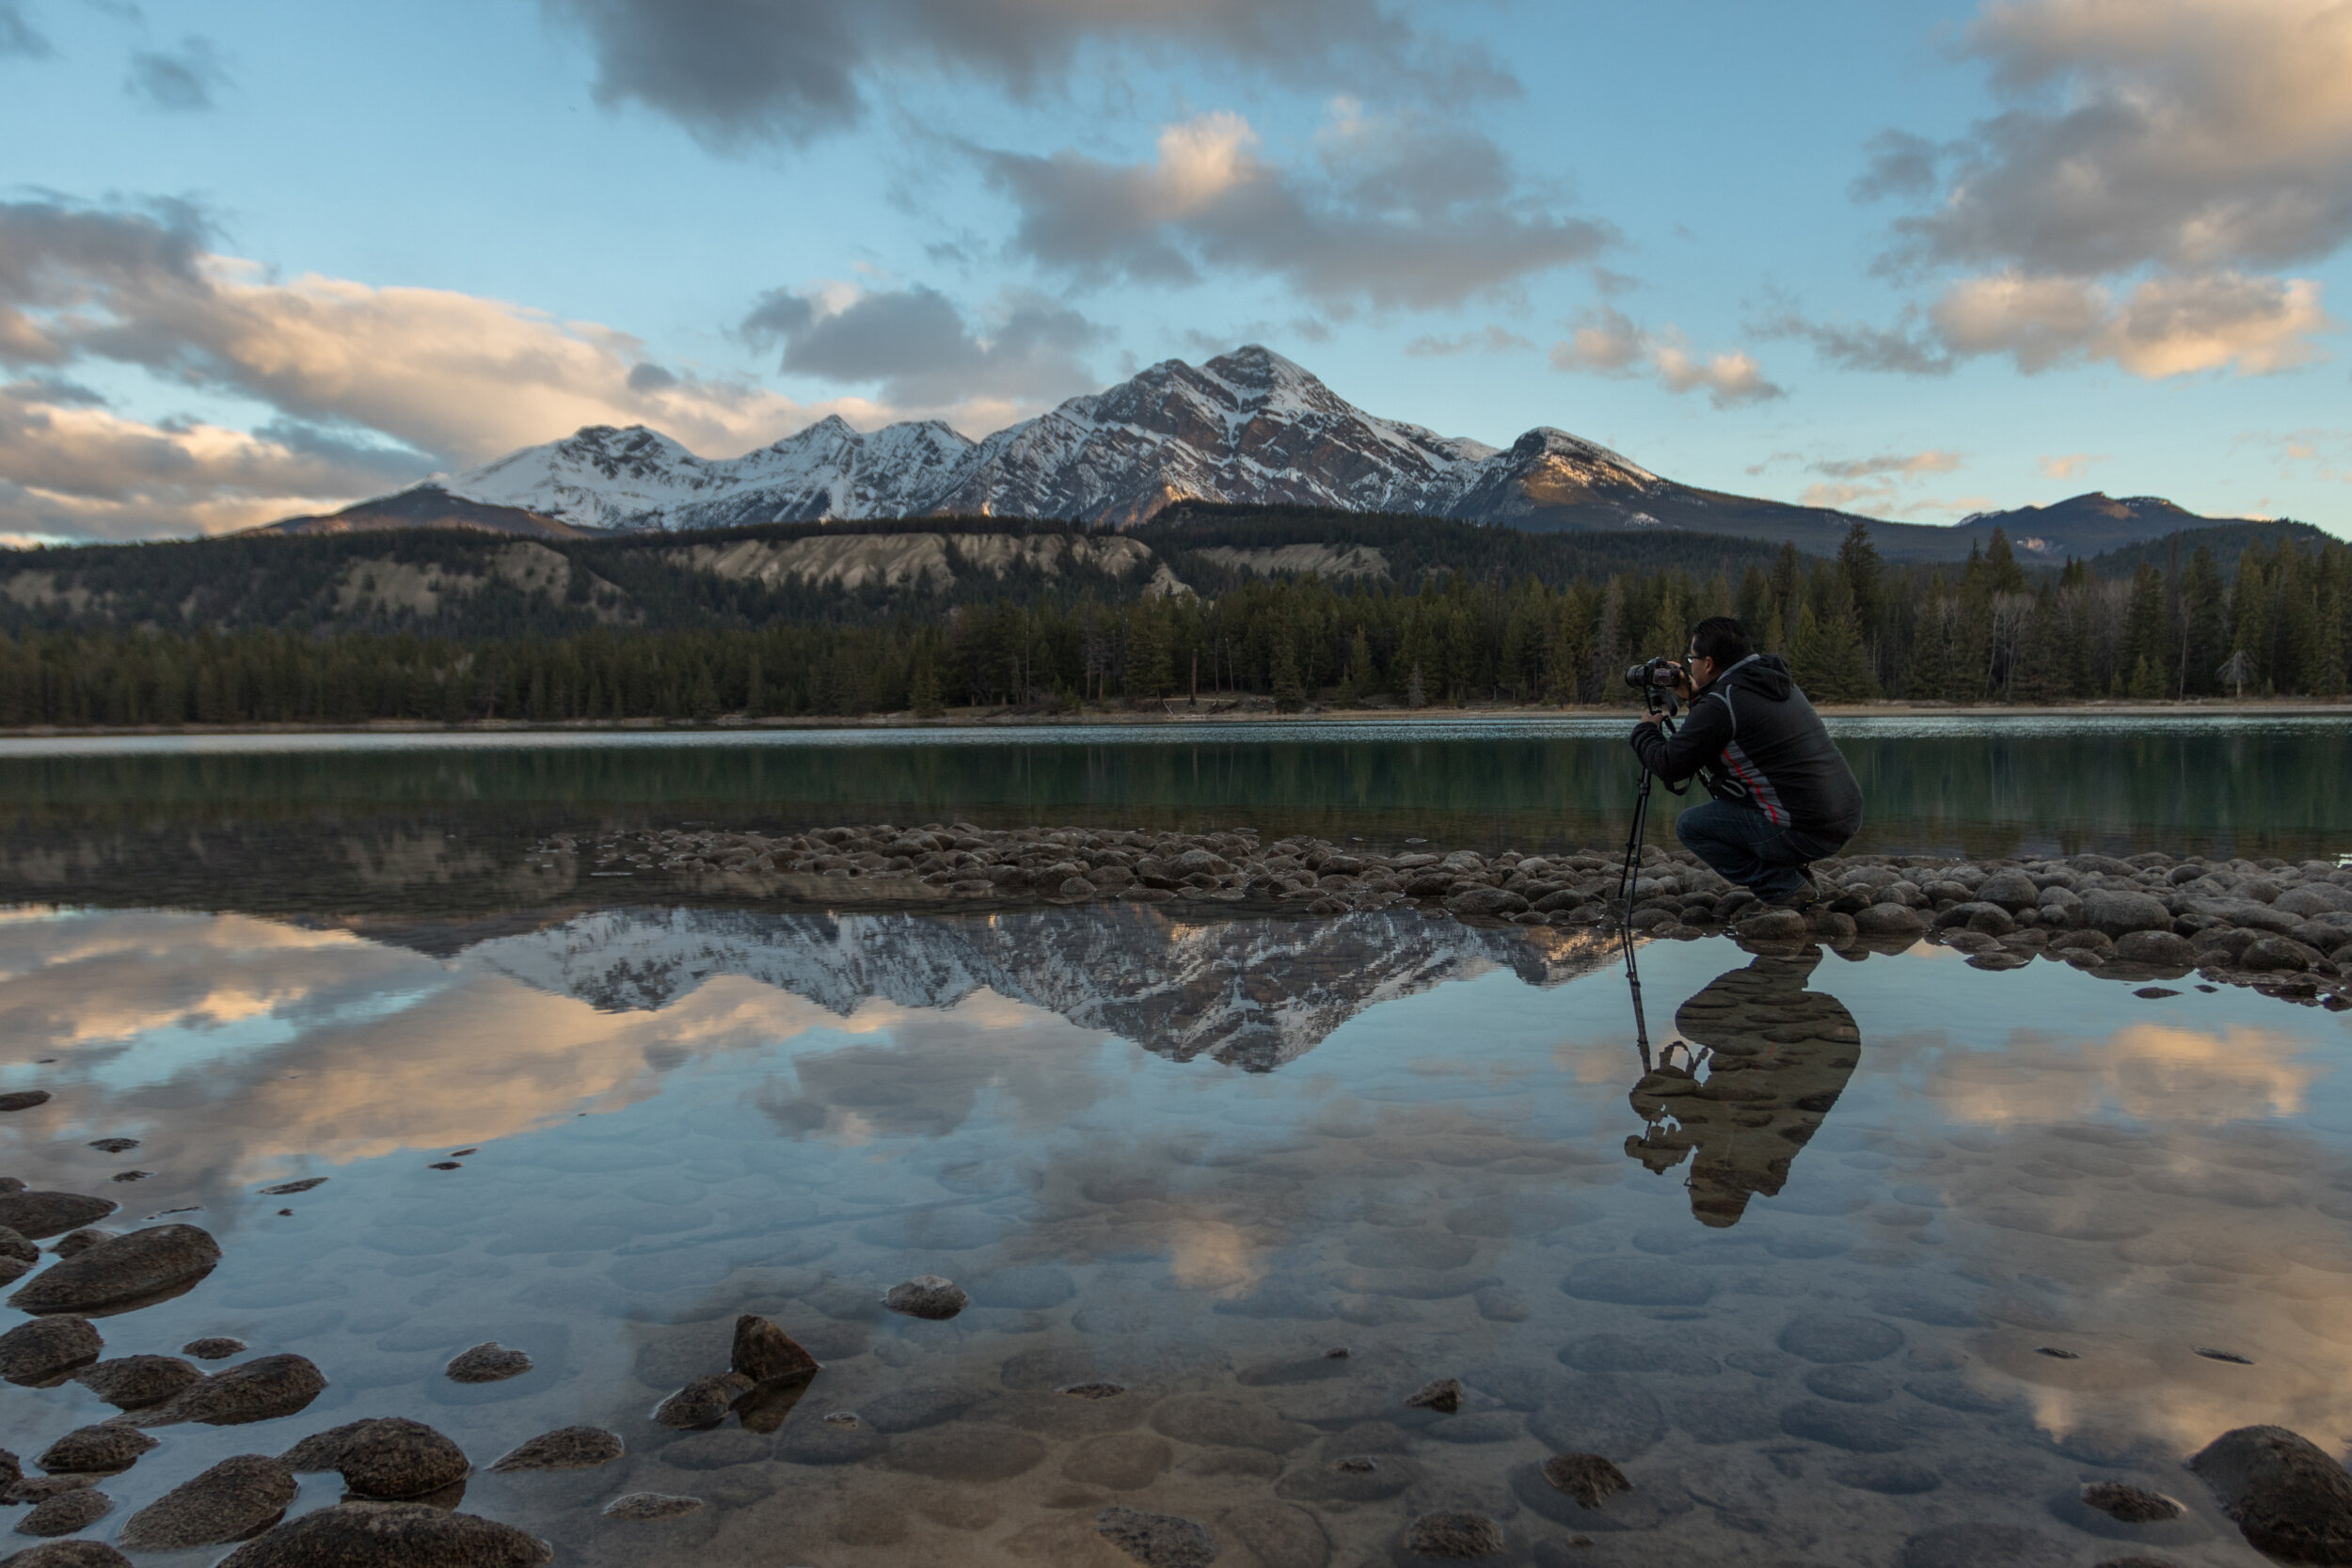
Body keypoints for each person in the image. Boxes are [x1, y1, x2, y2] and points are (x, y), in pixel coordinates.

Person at [1628, 615, 1862, 910]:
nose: (1690, 666)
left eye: (1692, 659)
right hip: (1845, 818)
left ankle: (1785, 888)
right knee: (1747, 794)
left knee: (1691, 825)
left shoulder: (1721, 703)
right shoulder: (1772, 680)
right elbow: (1724, 721)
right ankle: (1795, 877)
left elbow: (1669, 765)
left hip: (1803, 831)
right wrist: (1694, 695)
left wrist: (1645, 731)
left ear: (1709, 664)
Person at [1624, 949, 1862, 1227]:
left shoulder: (1745, 1157)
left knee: (1716, 1025)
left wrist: (1673, 1132)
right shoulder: (1738, 1154)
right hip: (1815, 1037)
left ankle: (1790, 958)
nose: (1692, 1176)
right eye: (1695, 1186)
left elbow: (1685, 1096)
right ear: (1717, 1183)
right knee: (1696, 1019)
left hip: (1827, 1039)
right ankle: (1785, 958)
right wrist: (1650, 1110)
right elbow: (1673, 1088)